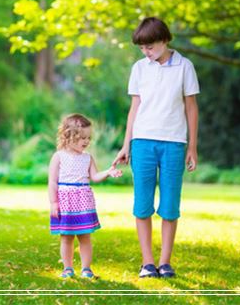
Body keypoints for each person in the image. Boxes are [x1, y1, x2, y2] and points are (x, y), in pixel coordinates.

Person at [113, 16, 200, 279]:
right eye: (142, 48)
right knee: (142, 204)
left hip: (174, 143)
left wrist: (192, 147)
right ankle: (147, 263)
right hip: (142, 142)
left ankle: (165, 262)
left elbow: (191, 107)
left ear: (164, 40)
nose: (146, 52)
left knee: (170, 205)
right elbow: (135, 108)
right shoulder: (140, 68)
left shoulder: (185, 66)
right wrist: (126, 144)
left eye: (150, 47)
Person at [49, 113, 122, 279]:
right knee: (66, 238)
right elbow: (52, 182)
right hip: (65, 201)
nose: (86, 141)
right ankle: (67, 268)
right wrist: (53, 203)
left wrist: (108, 172)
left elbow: (94, 177)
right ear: (68, 136)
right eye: (82, 137)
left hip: (83, 200)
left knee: (85, 237)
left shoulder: (87, 158)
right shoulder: (58, 157)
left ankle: (86, 268)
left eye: (88, 137)